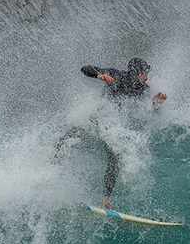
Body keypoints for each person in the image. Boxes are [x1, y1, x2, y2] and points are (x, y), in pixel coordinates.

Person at [54, 57, 167, 210]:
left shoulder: (143, 89)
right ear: (134, 72)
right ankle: (51, 176)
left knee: (114, 159)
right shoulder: (116, 75)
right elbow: (85, 68)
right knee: (64, 140)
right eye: (143, 73)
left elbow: (149, 113)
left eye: (147, 74)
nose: (146, 77)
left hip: (112, 126)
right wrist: (97, 75)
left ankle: (105, 200)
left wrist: (155, 104)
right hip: (97, 120)